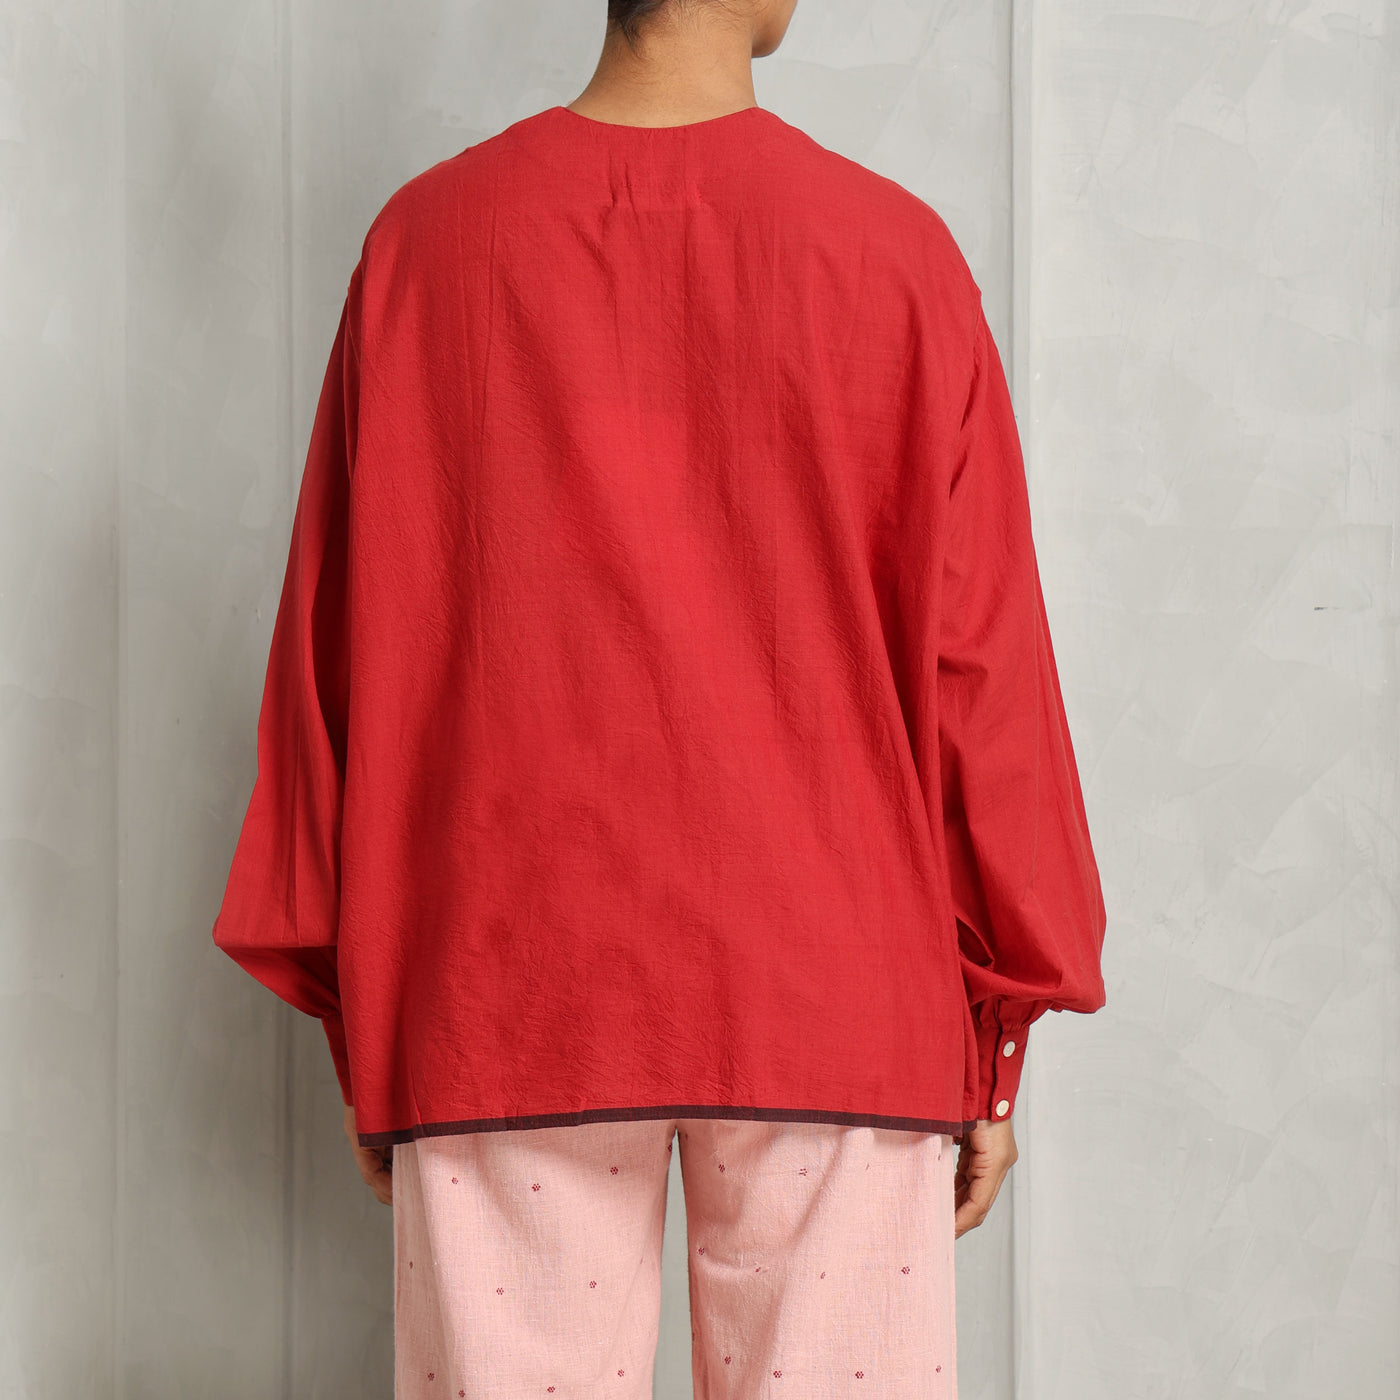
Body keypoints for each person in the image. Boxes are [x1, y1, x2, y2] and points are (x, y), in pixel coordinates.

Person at [211, 0, 1108, 1392]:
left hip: (502, 980)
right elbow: (981, 675)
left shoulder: (425, 248)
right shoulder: (894, 255)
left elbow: (340, 648)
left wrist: (368, 1020)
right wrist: (993, 1040)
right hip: (834, 987)